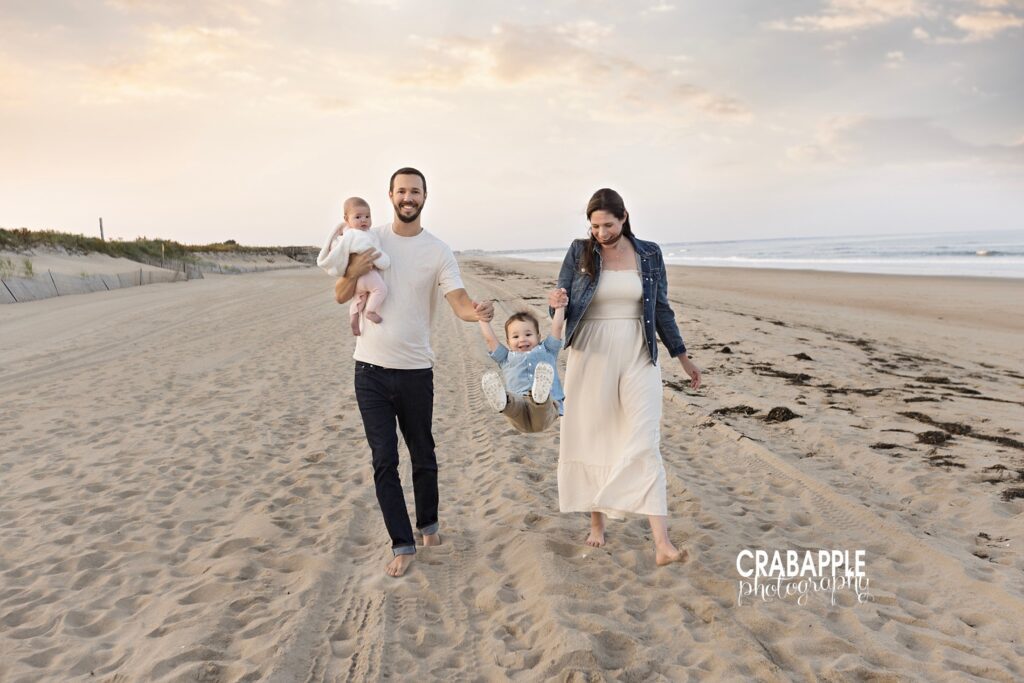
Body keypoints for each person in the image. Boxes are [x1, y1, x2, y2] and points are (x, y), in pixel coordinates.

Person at [334, 167, 494, 578]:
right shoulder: (369, 237)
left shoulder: (438, 250)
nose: (408, 197)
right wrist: (354, 270)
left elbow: (456, 298)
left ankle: (429, 527)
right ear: (390, 195)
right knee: (384, 459)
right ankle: (402, 544)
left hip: (415, 370)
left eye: (415, 191)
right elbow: (339, 294)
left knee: (423, 453)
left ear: (425, 196)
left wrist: (473, 311)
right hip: (369, 369)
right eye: (401, 190)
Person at [547, 188, 702, 567]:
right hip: (591, 352)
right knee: (596, 433)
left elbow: (661, 307)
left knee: (645, 437)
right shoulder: (578, 251)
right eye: (595, 226)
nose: (601, 232)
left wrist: (681, 356)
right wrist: (555, 304)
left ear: (624, 217)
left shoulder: (649, 252)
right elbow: (561, 301)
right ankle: (597, 520)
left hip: (638, 350)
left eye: (608, 224)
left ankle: (662, 543)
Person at [478, 307, 566, 433]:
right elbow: (490, 340)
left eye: (528, 334)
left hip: (547, 410)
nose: (522, 339)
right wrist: (483, 320)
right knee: (513, 405)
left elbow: (557, 328)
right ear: (508, 342)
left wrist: (559, 307)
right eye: (515, 336)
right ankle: (503, 400)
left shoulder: (548, 350)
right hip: (520, 409)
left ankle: (540, 395)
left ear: (538, 336)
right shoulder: (506, 358)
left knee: (541, 406)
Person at [316, 197, 389, 335]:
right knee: (380, 290)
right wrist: (384, 261)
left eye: (367, 216)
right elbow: (370, 252)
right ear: (346, 218)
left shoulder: (349, 235)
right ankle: (370, 311)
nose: (364, 220)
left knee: (359, 299)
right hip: (368, 274)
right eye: (358, 217)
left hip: (359, 280)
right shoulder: (357, 235)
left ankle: (354, 319)